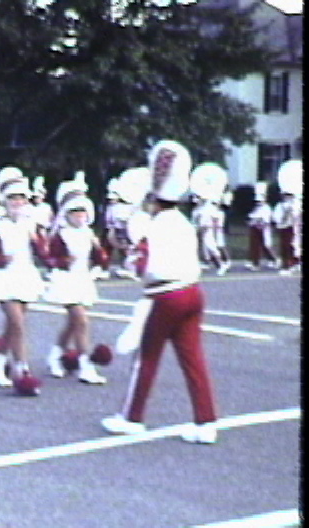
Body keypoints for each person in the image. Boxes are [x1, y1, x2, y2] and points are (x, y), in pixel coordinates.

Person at [101, 139, 219, 445]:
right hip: (193, 292)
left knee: (146, 357)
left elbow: (143, 266)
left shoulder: (151, 225)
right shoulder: (183, 222)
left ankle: (132, 417)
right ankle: (206, 421)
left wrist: (129, 247)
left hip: (166, 296)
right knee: (194, 358)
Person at [0, 167, 47, 388]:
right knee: (17, 323)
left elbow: (43, 252)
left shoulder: (30, 221)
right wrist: (2, 259)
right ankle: (21, 368)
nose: (17, 202)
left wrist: (37, 239)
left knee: (12, 325)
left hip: (25, 274)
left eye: (21, 197)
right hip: (4, 277)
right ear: (5, 200)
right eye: (12, 198)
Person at [43, 195, 107, 384]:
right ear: (67, 215)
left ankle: (55, 355)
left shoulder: (89, 234)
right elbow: (49, 259)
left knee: (73, 323)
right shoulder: (61, 235)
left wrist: (98, 251)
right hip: (66, 280)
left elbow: (101, 259)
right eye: (74, 212)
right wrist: (64, 261)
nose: (79, 216)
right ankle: (86, 366)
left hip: (83, 279)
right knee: (82, 321)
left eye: (82, 212)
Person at [273, 159, 302, 275]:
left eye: (289, 195)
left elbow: (297, 216)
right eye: (285, 195)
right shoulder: (280, 205)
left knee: (293, 246)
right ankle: (287, 265)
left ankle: (292, 264)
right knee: (285, 247)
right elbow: (277, 218)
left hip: (293, 227)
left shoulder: (296, 204)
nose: (287, 197)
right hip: (284, 227)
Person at [245, 181, 278, 270]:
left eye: (259, 201)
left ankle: (273, 260)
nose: (258, 203)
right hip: (255, 229)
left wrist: (256, 221)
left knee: (266, 246)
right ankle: (255, 263)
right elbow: (250, 217)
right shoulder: (255, 208)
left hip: (264, 229)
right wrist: (251, 221)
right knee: (254, 246)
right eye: (257, 201)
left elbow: (265, 219)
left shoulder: (267, 208)